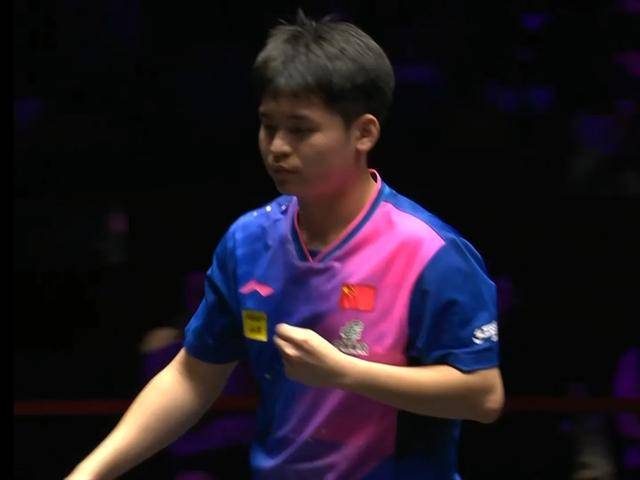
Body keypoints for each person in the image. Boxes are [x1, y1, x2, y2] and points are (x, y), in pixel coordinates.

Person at [66, 10, 504, 480]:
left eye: (300, 129)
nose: (276, 147)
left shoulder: (429, 252)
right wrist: (91, 472)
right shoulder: (249, 241)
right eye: (268, 125)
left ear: (363, 132)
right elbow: (193, 377)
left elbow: (482, 396)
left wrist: (346, 373)